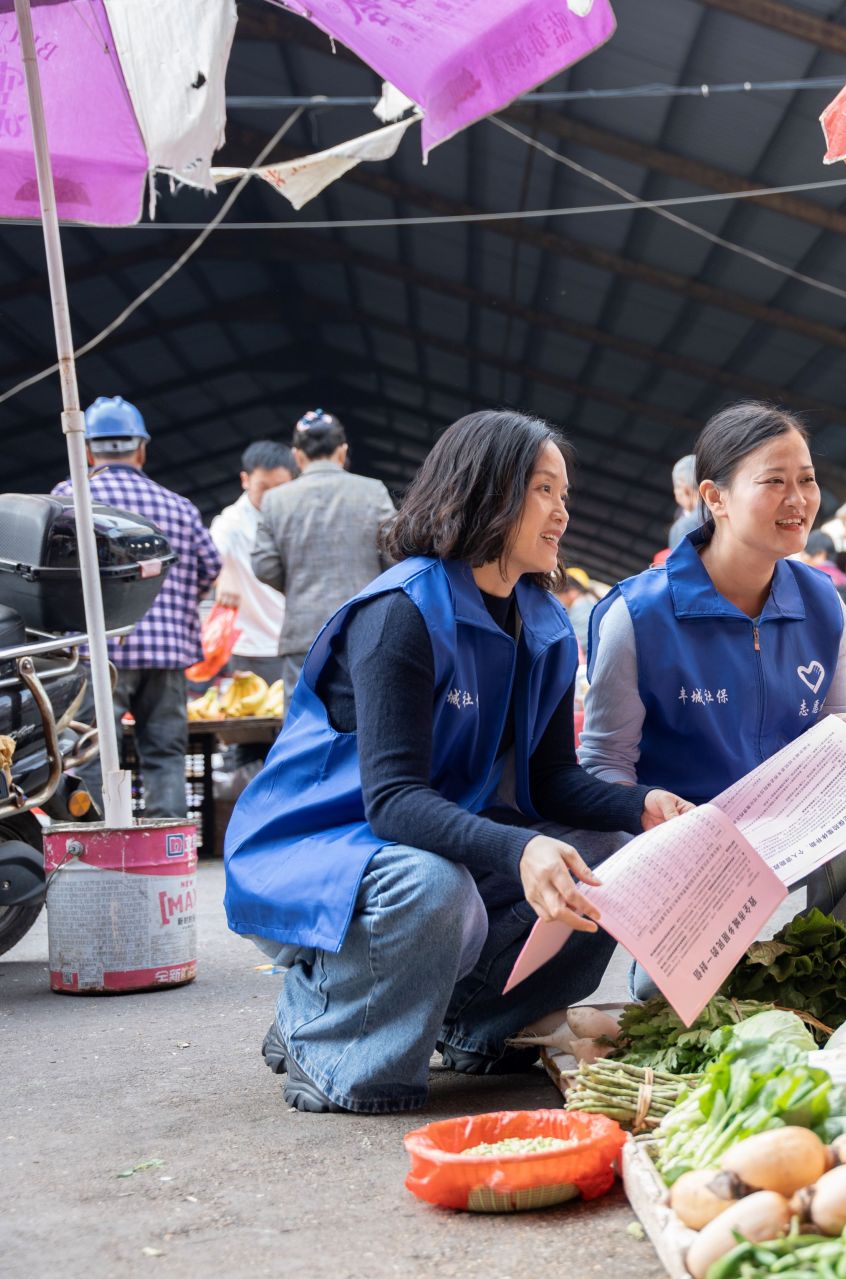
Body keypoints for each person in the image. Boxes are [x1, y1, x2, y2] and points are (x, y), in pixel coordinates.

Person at [223, 410, 694, 1114]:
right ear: (488, 490)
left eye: (564, 493)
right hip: (319, 848)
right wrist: (520, 846)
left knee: (603, 857)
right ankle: (319, 1025)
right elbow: (391, 800)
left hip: (410, 843)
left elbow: (555, 778)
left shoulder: (542, 624)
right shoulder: (401, 614)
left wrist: (643, 805)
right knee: (438, 889)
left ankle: (475, 1025)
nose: (562, 511)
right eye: (543, 490)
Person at [581, 402, 846, 928]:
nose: (798, 501)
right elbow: (603, 766)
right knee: (676, 1006)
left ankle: (832, 952)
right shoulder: (636, 616)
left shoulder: (822, 603)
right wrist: (648, 817)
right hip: (687, 842)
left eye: (807, 480)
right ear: (715, 497)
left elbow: (842, 718)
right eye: (774, 481)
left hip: (790, 830)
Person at [53, 396, 221, 819]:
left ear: (87, 450)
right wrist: (174, 605)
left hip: (95, 653)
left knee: (90, 753)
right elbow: (210, 569)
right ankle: (168, 854)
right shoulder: (178, 507)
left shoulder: (66, 500)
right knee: (164, 754)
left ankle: (98, 847)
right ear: (141, 449)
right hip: (166, 655)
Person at [254, 410, 396, 688]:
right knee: (363, 720)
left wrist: (299, 585)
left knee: (303, 723)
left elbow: (264, 566)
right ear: (342, 451)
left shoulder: (274, 501)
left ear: (297, 456)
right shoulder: (373, 491)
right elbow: (395, 553)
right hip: (364, 630)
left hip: (303, 634)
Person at [208, 441, 297, 682]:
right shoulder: (231, 522)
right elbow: (209, 556)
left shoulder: (300, 517)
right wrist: (223, 574)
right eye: (262, 487)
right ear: (245, 480)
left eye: (279, 487)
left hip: (300, 644)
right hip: (252, 650)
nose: (270, 495)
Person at [559, 567, 601, 647]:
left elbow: (572, 644)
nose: (560, 596)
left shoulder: (582, 606)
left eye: (561, 590)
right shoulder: (590, 603)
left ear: (573, 590)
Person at [667, 454, 702, 551]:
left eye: (676, 489)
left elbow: (681, 565)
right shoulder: (727, 511)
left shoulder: (683, 527)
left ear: (685, 489)